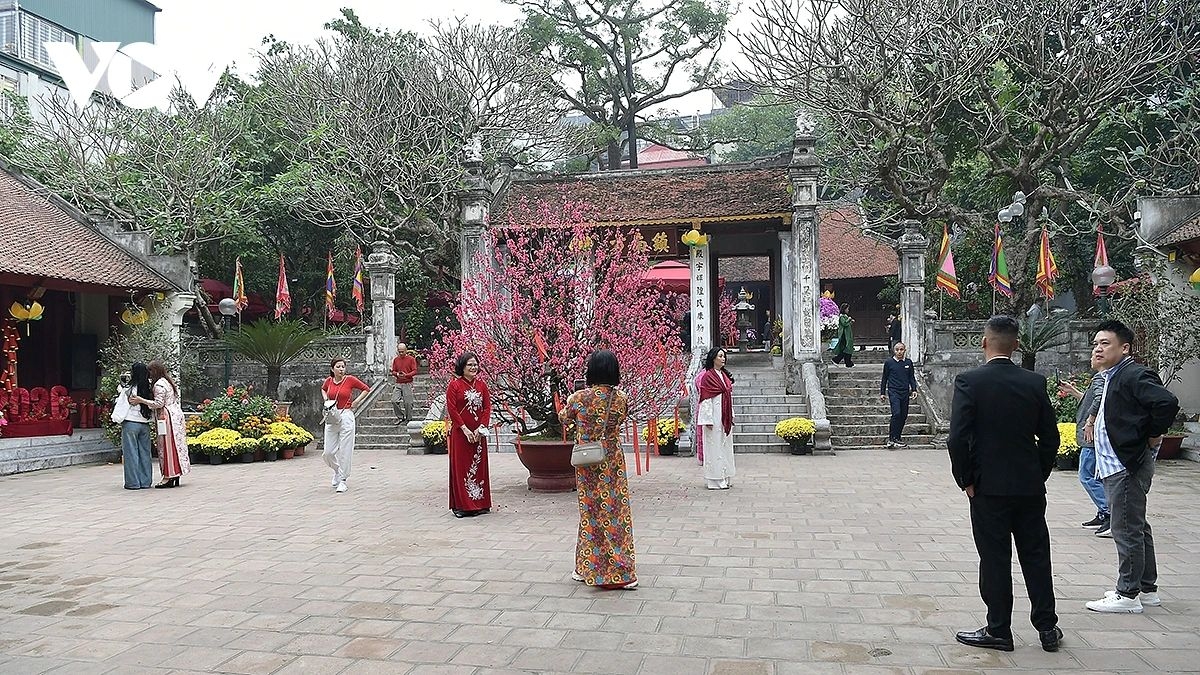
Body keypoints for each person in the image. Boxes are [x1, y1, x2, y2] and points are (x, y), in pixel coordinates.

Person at [948, 316, 1062, 653]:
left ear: (984, 342)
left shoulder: (970, 382)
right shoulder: (1034, 382)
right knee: (1037, 555)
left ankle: (999, 629)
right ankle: (1047, 628)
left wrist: (966, 480)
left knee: (995, 558)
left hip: (988, 489)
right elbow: (1051, 438)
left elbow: (957, 438)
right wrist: (1038, 472)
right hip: (1028, 486)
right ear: (1016, 345)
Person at [1084, 319, 1178, 614]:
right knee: (1136, 526)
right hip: (1117, 465)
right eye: (1096, 344)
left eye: (1105, 344)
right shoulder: (1113, 375)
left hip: (1126, 466)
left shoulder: (1133, 374)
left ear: (1124, 348)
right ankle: (1146, 589)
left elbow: (1166, 403)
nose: (1098, 349)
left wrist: (1151, 435)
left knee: (1125, 529)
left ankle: (1128, 594)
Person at [559, 349, 638, 590]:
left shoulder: (579, 398)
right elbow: (621, 418)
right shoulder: (621, 398)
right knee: (616, 513)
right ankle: (621, 568)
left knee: (590, 512)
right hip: (612, 461)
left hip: (587, 463)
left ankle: (587, 567)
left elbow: (563, 417)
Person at [1057, 372, 1112, 536]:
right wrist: (1073, 391)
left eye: (1101, 346)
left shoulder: (1100, 378)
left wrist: (1090, 422)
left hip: (1091, 437)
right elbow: (1091, 401)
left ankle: (1109, 513)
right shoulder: (1102, 378)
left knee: (1086, 475)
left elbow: (1099, 399)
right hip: (1092, 437)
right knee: (1095, 477)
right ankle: (1103, 514)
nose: (1095, 353)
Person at [129, 360, 191, 489]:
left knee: (166, 447)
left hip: (165, 417)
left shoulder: (158, 385)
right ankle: (175, 473)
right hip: (175, 415)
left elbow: (158, 403)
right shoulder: (168, 382)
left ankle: (168, 475)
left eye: (150, 372)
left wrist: (141, 400)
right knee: (175, 445)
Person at [446, 352, 492, 517]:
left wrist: (481, 428)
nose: (473, 368)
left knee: (479, 466)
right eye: (470, 365)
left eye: (475, 365)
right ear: (462, 367)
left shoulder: (482, 385)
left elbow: (487, 408)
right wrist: (464, 429)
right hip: (461, 434)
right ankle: (462, 506)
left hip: (478, 433)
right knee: (462, 467)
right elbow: (452, 409)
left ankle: (481, 503)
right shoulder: (455, 385)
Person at [321, 358, 370, 494]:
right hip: (332, 416)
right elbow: (324, 389)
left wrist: (357, 401)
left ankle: (343, 480)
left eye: (343, 366)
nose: (341, 369)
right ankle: (337, 470)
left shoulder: (350, 380)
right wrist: (326, 399)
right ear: (332, 369)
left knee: (345, 450)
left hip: (346, 415)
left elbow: (366, 389)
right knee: (328, 452)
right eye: (338, 366)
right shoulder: (328, 381)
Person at [697, 347, 735, 490]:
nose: (723, 359)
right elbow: (705, 399)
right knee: (714, 447)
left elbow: (729, 396)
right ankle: (715, 479)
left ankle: (725, 475)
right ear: (713, 358)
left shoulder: (724, 376)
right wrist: (707, 419)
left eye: (724, 356)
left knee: (724, 445)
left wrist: (731, 414)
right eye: (720, 356)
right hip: (714, 416)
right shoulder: (708, 376)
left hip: (724, 416)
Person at [119, 363, 154, 489]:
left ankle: (133, 482)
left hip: (130, 422)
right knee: (145, 453)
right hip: (144, 423)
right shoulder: (149, 387)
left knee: (131, 453)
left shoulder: (130, 387)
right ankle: (146, 481)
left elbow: (120, 393)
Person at [879, 342, 918, 449]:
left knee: (903, 415)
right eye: (897, 350)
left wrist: (914, 389)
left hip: (905, 391)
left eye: (901, 349)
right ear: (894, 351)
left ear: (905, 350)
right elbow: (884, 378)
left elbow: (911, 377)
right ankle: (892, 438)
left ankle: (898, 437)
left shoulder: (908, 363)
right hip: (893, 391)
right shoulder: (889, 362)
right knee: (896, 413)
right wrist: (882, 392)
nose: (899, 352)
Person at [390, 342, 418, 424]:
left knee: (408, 402)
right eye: (399, 351)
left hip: (408, 382)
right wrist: (397, 374)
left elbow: (415, 371)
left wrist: (407, 375)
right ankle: (400, 417)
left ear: (406, 350)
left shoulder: (411, 359)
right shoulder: (396, 360)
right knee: (394, 400)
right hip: (398, 382)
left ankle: (409, 418)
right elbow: (393, 371)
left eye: (402, 351)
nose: (401, 353)